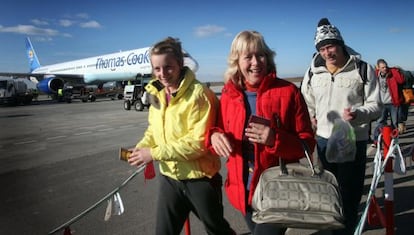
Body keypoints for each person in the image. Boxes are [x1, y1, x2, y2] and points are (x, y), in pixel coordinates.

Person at [206, 30, 316, 235]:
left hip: (278, 190)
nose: (256, 62)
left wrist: (275, 139)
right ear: (236, 62)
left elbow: (307, 144)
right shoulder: (229, 95)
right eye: (248, 57)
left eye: (261, 55)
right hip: (243, 190)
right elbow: (216, 131)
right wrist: (214, 135)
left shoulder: (288, 92)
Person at [127, 37, 234, 235]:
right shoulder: (157, 93)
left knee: (217, 230)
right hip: (170, 178)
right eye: (157, 69)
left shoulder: (199, 95)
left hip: (200, 179)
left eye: (168, 67)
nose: (162, 74)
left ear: (180, 63)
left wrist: (154, 154)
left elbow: (198, 144)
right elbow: (154, 130)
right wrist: (142, 147)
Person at [301, 18, 381, 234]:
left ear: (341, 44)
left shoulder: (363, 69)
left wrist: (358, 114)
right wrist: (311, 118)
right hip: (323, 139)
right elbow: (306, 102)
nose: (327, 53)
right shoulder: (312, 72)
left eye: (331, 46)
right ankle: (332, 227)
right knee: (328, 189)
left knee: (350, 191)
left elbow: (377, 106)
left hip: (352, 138)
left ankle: (348, 229)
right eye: (323, 48)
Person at [372, 59, 405, 145]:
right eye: (382, 67)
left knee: (394, 123)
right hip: (381, 103)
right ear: (378, 68)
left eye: (386, 66)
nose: (385, 68)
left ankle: (394, 141)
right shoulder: (375, 74)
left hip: (393, 102)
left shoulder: (392, 73)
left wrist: (395, 71)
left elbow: (401, 80)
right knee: (380, 122)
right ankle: (376, 141)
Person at [397, 68, 413, 134]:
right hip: (409, 94)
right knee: (405, 109)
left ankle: (401, 127)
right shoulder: (408, 73)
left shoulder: (400, 75)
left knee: (400, 110)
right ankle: (403, 124)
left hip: (402, 94)